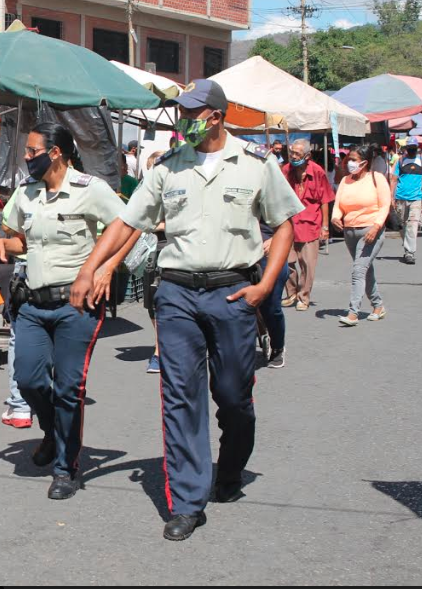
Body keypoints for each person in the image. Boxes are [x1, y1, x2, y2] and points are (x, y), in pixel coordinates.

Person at [71, 80, 303, 541]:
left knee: (234, 397)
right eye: (179, 111)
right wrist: (89, 268)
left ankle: (231, 467)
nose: (183, 120)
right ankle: (187, 501)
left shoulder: (256, 164)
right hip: (176, 292)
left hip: (233, 292)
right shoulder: (167, 168)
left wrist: (264, 287)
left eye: (191, 112)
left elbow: (284, 226)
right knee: (180, 397)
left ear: (216, 116)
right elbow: (127, 222)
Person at [0, 122, 130, 501]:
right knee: (29, 378)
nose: (26, 157)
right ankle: (52, 432)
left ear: (55, 153)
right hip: (33, 303)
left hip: (76, 306)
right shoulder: (26, 192)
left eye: (32, 151)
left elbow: (128, 226)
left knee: (69, 388)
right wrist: (0, 244)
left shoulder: (90, 190)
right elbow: (20, 238)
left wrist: (105, 269)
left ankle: (66, 468)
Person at [332, 144, 390, 326]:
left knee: (358, 270)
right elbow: (338, 204)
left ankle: (353, 312)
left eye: (353, 160)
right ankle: (378, 306)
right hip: (350, 231)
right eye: (349, 159)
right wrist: (335, 217)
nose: (349, 162)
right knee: (365, 269)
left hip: (371, 230)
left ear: (364, 163)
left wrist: (376, 227)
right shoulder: (345, 180)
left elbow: (385, 205)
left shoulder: (377, 178)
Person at [281, 139, 335, 311]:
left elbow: (325, 200)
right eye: (292, 153)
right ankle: (291, 292)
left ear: (307, 155)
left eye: (297, 153)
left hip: (310, 223)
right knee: (286, 261)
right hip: (289, 222)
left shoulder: (317, 171)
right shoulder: (286, 170)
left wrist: (325, 227)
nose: (293, 156)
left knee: (307, 264)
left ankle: (304, 296)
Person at [0, 187, 32, 429]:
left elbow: (8, 226)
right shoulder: (88, 187)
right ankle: (24, 404)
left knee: (18, 339)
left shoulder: (27, 188)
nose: (28, 158)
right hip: (68, 276)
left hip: (30, 273)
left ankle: (20, 406)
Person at [258, 221, 291, 368]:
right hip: (239, 253)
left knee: (271, 306)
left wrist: (275, 240)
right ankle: (260, 330)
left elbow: (289, 222)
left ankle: (277, 346)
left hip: (269, 252)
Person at [391, 137, 422, 265]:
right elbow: (394, 179)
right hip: (401, 198)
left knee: (412, 225)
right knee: (402, 225)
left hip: (416, 198)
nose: (412, 151)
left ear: (417, 148)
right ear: (406, 149)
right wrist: (391, 197)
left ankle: (410, 253)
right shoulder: (400, 161)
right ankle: (407, 245)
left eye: (414, 148)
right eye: (410, 148)